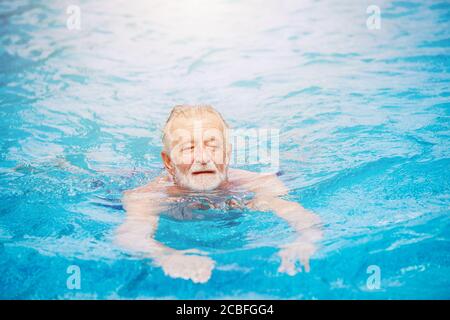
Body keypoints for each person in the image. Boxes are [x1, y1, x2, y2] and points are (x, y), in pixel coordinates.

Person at [115, 105, 322, 283]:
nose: (203, 158)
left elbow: (302, 217)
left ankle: (299, 144)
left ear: (228, 154)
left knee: (292, 166)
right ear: (168, 162)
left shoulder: (257, 183)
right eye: (189, 148)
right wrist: (166, 256)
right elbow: (131, 236)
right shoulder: (147, 196)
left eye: (213, 146)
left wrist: (305, 240)